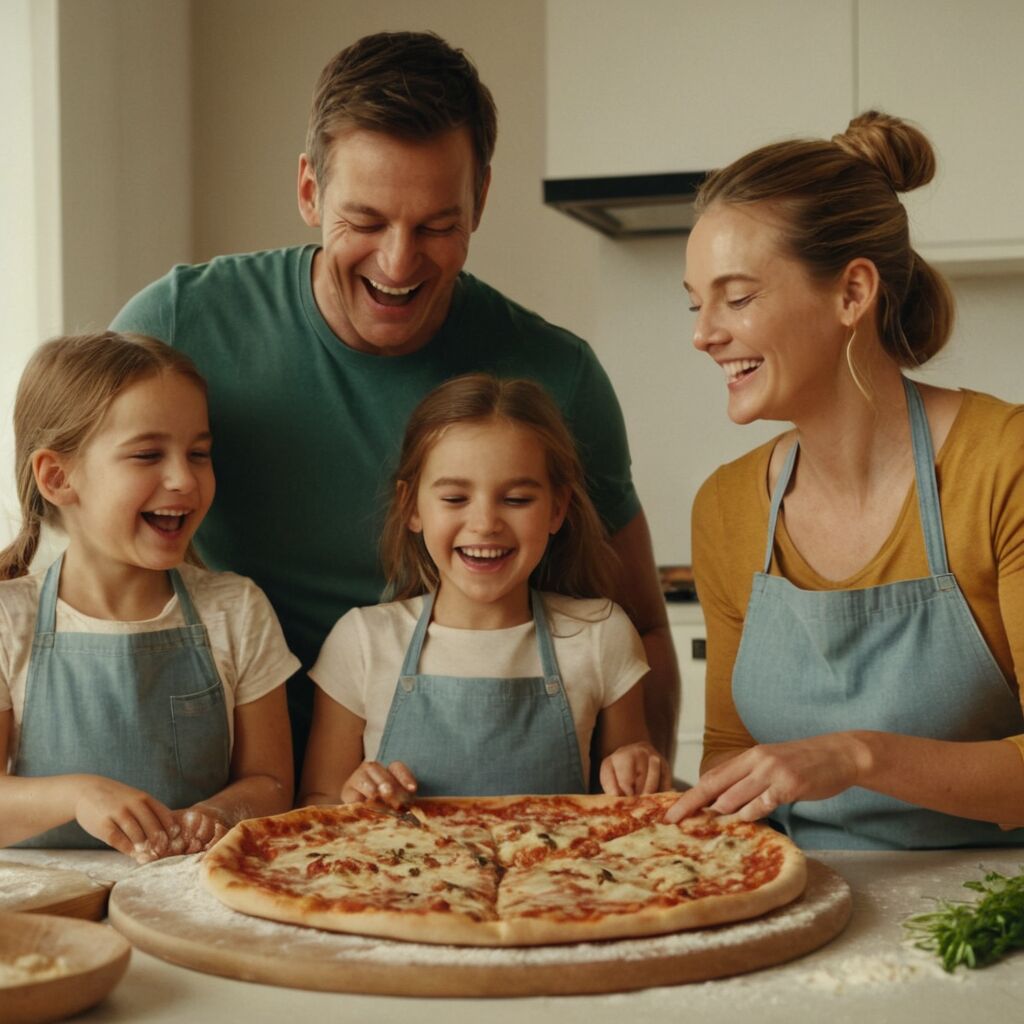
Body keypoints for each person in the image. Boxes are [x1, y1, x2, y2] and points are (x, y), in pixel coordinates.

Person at [109, 31, 678, 772]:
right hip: (218, 782)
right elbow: (77, 535)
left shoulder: (557, 375)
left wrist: (650, 814)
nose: (398, 262)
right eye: (367, 221)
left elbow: (642, 628)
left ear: (480, 201)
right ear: (310, 190)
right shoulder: (178, 326)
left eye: (438, 225)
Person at [666, 111, 1024, 849]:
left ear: (852, 293)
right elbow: (729, 759)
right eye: (695, 302)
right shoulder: (727, 508)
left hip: (989, 919)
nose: (703, 333)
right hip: (794, 905)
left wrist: (860, 756)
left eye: (735, 298)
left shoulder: (1003, 466)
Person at [300, 374, 668, 805]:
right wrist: (353, 797)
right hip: (400, 873)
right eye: (455, 499)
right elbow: (318, 800)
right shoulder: (362, 640)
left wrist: (638, 765)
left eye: (516, 500)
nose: (485, 523)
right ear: (410, 507)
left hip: (559, 873)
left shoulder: (601, 633)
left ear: (557, 508)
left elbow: (636, 802)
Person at [0, 333, 298, 860]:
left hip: (193, 903)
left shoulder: (236, 610)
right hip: (42, 917)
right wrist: (79, 795)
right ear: (57, 476)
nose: (184, 478)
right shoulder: (8, 620)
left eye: (199, 453)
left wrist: (219, 813)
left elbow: (271, 784)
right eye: (147, 454)